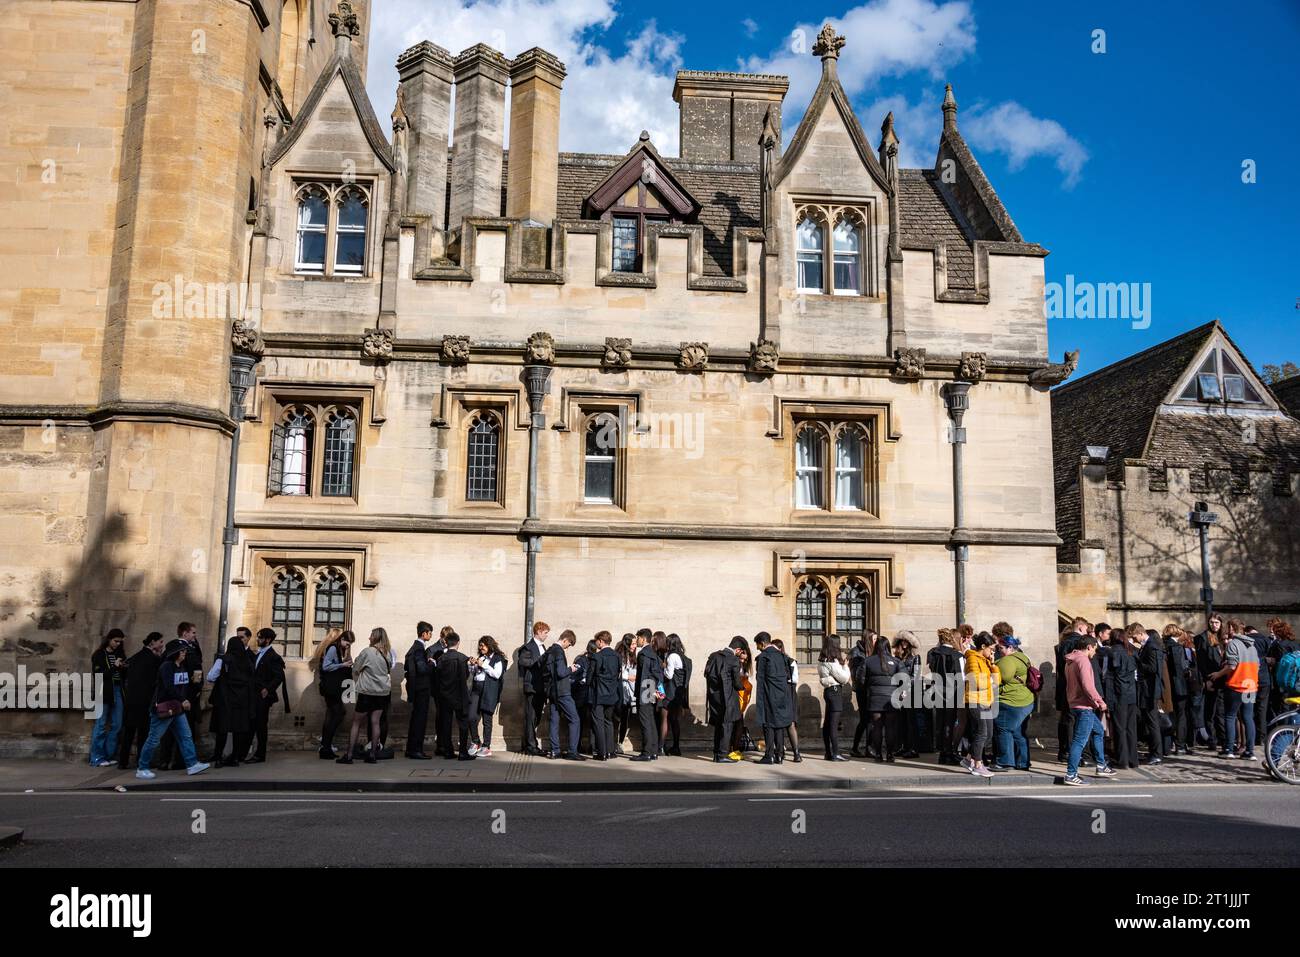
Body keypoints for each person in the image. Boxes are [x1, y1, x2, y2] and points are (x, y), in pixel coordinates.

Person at [135, 639, 211, 779]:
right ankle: (142, 767)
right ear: (175, 653)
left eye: (184, 651)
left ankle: (192, 764)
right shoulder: (166, 666)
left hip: (177, 709)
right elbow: (169, 687)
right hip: (164, 709)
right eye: (182, 651)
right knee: (153, 739)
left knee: (185, 736)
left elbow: (182, 687)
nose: (184, 653)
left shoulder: (180, 666)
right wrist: (183, 700)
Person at [1062, 634, 1116, 786]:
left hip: (1076, 703)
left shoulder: (1070, 660)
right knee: (1079, 741)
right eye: (1094, 649)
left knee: (1098, 730)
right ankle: (1071, 774)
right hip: (1084, 706)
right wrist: (1100, 701)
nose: (1094, 652)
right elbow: (1088, 685)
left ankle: (1101, 765)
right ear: (1089, 647)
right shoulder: (1083, 661)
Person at [338, 628, 393, 765]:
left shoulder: (367, 652)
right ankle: (373, 754)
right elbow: (388, 669)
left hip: (367, 692)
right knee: (375, 722)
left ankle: (349, 755)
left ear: (375, 637)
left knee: (356, 722)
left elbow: (355, 669)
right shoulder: (387, 653)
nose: (369, 638)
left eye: (371, 636)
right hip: (382, 692)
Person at [1210, 619, 1259, 761]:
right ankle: (1250, 751)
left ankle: (1229, 749)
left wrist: (1217, 674)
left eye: (1228, 627)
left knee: (1230, 716)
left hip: (1237, 685)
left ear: (1232, 628)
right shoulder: (1252, 646)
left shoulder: (1233, 644)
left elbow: (1232, 666)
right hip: (1251, 686)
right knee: (1248, 718)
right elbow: (1258, 666)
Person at [159, 621, 206, 770]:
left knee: (169, 730)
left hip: (171, 696)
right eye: (193, 632)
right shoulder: (187, 649)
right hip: (185, 696)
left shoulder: (170, 649)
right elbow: (196, 672)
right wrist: (198, 688)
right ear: (185, 633)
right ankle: (180, 761)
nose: (195, 635)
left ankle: (165, 760)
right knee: (184, 730)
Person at [117, 632, 165, 770]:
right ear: (152, 642)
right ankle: (141, 761)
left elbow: (124, 672)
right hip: (145, 701)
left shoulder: (136, 657)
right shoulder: (154, 659)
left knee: (129, 732)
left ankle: (123, 761)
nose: (162, 645)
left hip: (131, 700)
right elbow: (155, 681)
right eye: (160, 642)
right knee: (144, 733)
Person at [207, 634, 256, 767]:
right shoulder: (248, 661)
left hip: (225, 699)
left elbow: (211, 676)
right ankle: (234, 757)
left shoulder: (224, 660)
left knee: (222, 729)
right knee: (238, 729)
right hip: (242, 700)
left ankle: (218, 757)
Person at [243, 627, 288, 763]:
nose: (258, 640)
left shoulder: (273, 656)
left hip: (262, 696)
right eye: (258, 637)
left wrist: (267, 689)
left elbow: (279, 676)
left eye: (261, 638)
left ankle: (260, 754)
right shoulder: (259, 653)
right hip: (254, 694)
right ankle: (244, 752)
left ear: (268, 640)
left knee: (260, 725)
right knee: (252, 724)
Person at [992, 633, 1034, 771]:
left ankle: (1005, 762)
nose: (999, 651)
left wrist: (994, 663)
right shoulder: (1023, 657)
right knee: (1017, 732)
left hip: (1011, 701)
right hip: (1026, 700)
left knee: (1003, 729)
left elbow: (1001, 678)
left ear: (1010, 647)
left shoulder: (1007, 660)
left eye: (1001, 648)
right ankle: (1023, 762)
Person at [310, 628, 353, 759]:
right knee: (339, 713)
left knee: (331, 714)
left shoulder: (339, 649)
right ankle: (326, 745)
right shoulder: (333, 648)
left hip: (333, 687)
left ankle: (325, 747)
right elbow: (326, 666)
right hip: (331, 687)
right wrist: (342, 665)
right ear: (342, 639)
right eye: (348, 643)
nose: (349, 645)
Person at [432, 632, 474, 760]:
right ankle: (462, 752)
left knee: (446, 724)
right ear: (458, 642)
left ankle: (448, 751)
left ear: (446, 643)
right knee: (463, 724)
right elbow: (466, 676)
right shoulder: (462, 658)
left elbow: (437, 678)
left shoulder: (441, 659)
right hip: (460, 695)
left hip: (445, 695)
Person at [962, 633, 999, 777]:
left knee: (988, 734)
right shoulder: (972, 659)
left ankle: (968, 759)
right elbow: (976, 682)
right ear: (983, 647)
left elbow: (997, 681)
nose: (992, 652)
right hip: (974, 700)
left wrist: (993, 664)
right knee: (982, 732)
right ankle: (978, 764)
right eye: (991, 649)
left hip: (985, 700)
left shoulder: (985, 660)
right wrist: (989, 680)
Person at [89, 628, 127, 767]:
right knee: (100, 725)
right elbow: (99, 675)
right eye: (116, 641)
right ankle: (96, 758)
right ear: (109, 640)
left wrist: (124, 667)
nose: (118, 644)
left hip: (118, 690)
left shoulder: (120, 654)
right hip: (102, 692)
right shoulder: (99, 654)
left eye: (120, 642)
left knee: (117, 724)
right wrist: (115, 667)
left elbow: (124, 675)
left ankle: (108, 754)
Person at [754, 632, 793, 764]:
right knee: (780, 725)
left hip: (769, 695)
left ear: (763, 643)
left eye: (758, 645)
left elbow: (760, 680)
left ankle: (769, 755)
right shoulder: (782, 656)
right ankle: (779, 755)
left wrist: (760, 702)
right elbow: (788, 676)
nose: (757, 648)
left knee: (769, 725)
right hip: (782, 695)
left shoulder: (763, 657)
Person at [543, 629, 583, 760]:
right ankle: (572, 751)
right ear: (565, 640)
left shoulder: (549, 650)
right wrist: (571, 669)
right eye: (569, 644)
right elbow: (561, 672)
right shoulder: (559, 651)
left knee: (554, 720)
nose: (568, 647)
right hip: (562, 691)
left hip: (552, 691)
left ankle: (555, 750)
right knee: (575, 719)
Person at [1054, 618, 1089, 762]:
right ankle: (1072, 752)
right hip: (1074, 686)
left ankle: (1064, 751)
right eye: (1086, 629)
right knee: (1073, 720)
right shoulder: (1078, 643)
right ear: (1080, 628)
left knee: (1066, 718)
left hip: (1063, 684)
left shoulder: (1063, 643)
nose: (1086, 632)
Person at [704, 637, 745, 763]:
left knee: (718, 725)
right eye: (741, 651)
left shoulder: (713, 656)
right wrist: (742, 687)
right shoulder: (733, 660)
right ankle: (722, 755)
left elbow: (707, 674)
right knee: (727, 726)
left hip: (714, 696)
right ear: (737, 649)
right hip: (728, 698)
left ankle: (716, 753)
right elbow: (737, 683)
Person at [1103, 626, 1138, 769]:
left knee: (1119, 729)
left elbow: (1108, 678)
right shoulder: (1132, 651)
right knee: (1131, 728)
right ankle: (1133, 760)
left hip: (1118, 695)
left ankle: (1122, 760)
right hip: (1131, 694)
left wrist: (1108, 701)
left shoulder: (1111, 653)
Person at [928, 629, 964, 765]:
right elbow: (961, 678)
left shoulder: (933, 653)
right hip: (952, 692)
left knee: (940, 723)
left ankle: (942, 753)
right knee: (949, 723)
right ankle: (948, 753)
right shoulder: (957, 655)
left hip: (937, 691)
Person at [1132, 624, 1165, 765]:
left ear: (1140, 633)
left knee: (1153, 723)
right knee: (1150, 722)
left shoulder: (1152, 646)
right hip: (1146, 690)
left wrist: (1137, 663)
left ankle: (1157, 754)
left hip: (1150, 691)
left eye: (1134, 637)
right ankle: (1153, 751)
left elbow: (1153, 668)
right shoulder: (1148, 646)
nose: (1134, 640)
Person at [467, 636, 505, 757]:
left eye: (483, 645)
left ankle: (486, 746)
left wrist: (484, 665)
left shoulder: (498, 658)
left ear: (489, 645)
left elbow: (497, 674)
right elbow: (474, 673)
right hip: (476, 689)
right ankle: (475, 741)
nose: (480, 647)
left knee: (487, 719)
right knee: (471, 716)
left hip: (488, 690)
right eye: (480, 645)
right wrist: (472, 665)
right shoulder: (481, 657)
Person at [403, 621, 436, 759]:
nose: (431, 636)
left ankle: (412, 749)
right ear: (424, 633)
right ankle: (416, 750)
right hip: (421, 689)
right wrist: (432, 663)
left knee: (417, 718)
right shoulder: (418, 648)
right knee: (419, 719)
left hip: (417, 688)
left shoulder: (415, 647)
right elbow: (422, 669)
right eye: (430, 633)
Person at [631, 629, 664, 760]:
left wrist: (643, 694)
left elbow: (644, 675)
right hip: (651, 688)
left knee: (645, 721)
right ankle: (653, 751)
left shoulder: (644, 653)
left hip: (646, 689)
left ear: (643, 639)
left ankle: (646, 753)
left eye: (638, 637)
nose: (637, 640)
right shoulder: (653, 653)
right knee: (651, 721)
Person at [517, 622, 549, 756]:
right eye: (546, 632)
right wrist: (540, 661)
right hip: (532, 686)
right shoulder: (528, 647)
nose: (547, 635)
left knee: (536, 717)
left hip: (541, 687)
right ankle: (530, 746)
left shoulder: (543, 647)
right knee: (531, 716)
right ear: (539, 631)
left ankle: (530, 743)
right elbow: (523, 662)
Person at [1195, 614, 1227, 749]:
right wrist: (1206, 680)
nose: (1214, 625)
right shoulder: (1203, 638)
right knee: (1211, 712)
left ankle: (1225, 740)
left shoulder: (1223, 638)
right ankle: (1212, 740)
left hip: (1224, 679)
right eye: (1212, 622)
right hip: (1211, 679)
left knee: (1222, 712)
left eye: (1217, 623)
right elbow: (1201, 662)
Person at [818, 634, 850, 761]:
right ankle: (836, 753)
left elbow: (824, 679)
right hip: (835, 692)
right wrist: (846, 666)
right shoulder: (832, 662)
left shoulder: (822, 659)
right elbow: (844, 678)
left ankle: (828, 752)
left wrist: (829, 679)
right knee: (833, 725)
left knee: (827, 724)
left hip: (829, 692)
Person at [1162, 624, 1194, 755]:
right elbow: (1178, 669)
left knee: (1171, 714)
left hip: (1169, 686)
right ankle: (1180, 744)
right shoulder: (1175, 647)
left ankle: (1170, 744)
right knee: (1181, 716)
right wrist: (1187, 669)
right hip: (1179, 686)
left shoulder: (1164, 645)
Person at [589, 631, 620, 760]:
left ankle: (601, 753)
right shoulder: (617, 656)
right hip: (612, 694)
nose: (596, 643)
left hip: (599, 694)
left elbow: (590, 675)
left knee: (599, 723)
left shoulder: (597, 656)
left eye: (597, 640)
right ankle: (610, 751)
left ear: (601, 641)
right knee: (609, 722)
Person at [771, 638, 803, 762]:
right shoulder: (789, 661)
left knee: (787, 724)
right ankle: (791, 753)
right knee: (788, 724)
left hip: (786, 694)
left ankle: (793, 753)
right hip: (787, 693)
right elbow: (794, 679)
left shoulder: (789, 661)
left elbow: (794, 680)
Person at [892, 632, 922, 758]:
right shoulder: (898, 656)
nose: (904, 644)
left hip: (912, 692)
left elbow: (916, 675)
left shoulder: (915, 657)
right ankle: (903, 746)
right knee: (901, 721)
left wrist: (906, 688)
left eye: (906, 641)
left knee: (911, 721)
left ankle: (913, 748)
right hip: (900, 691)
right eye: (902, 641)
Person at [664, 633, 689, 756]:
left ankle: (663, 747)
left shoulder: (671, 656)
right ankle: (676, 746)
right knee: (675, 720)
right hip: (680, 693)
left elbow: (669, 675)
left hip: (670, 691)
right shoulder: (684, 657)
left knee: (666, 719)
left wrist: (662, 667)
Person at [849, 632, 873, 756]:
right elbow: (855, 674)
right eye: (874, 638)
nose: (876, 640)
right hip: (862, 690)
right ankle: (855, 747)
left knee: (870, 720)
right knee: (864, 719)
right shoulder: (855, 652)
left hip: (871, 690)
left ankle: (869, 748)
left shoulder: (873, 651)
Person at [572, 639, 596, 755]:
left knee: (579, 721)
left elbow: (574, 677)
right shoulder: (594, 659)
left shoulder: (580, 659)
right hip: (588, 694)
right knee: (591, 722)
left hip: (580, 694)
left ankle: (577, 745)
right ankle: (591, 746)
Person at [615, 633, 636, 754]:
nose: (634, 646)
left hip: (629, 692)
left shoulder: (632, 656)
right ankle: (614, 742)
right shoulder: (620, 655)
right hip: (620, 689)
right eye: (632, 643)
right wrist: (628, 677)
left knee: (625, 719)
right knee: (617, 717)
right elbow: (618, 672)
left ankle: (620, 742)